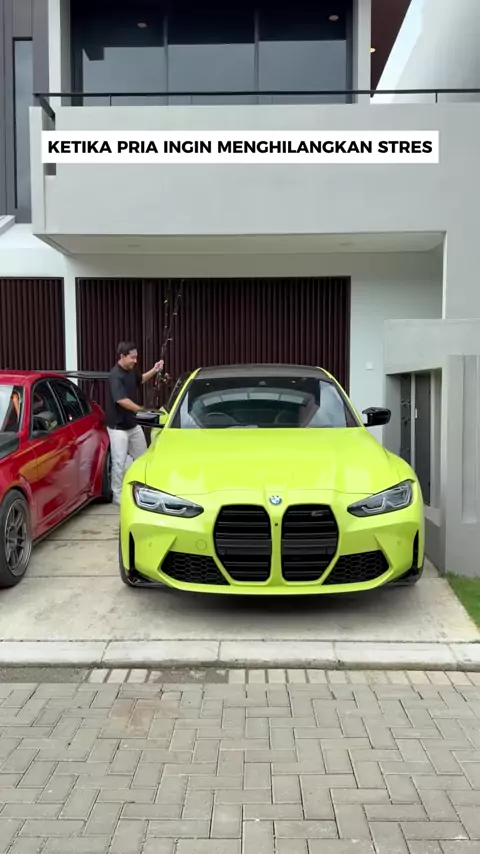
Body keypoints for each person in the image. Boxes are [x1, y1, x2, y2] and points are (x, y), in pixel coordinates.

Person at [106, 341, 164, 504]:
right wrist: (142, 410)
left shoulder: (131, 371)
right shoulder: (115, 375)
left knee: (143, 458)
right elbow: (121, 400)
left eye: (136, 357)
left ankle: (144, 490)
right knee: (119, 462)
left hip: (132, 424)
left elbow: (141, 379)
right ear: (122, 357)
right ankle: (117, 495)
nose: (135, 360)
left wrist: (155, 369)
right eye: (132, 357)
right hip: (117, 427)